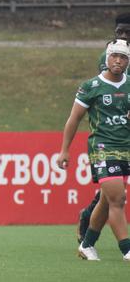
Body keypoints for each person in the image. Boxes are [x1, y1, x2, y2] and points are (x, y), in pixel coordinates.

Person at [57, 39, 130, 261]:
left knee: (107, 200)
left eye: (123, 57)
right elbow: (74, 119)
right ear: (106, 58)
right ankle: (127, 249)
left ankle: (87, 245)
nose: (118, 60)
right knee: (117, 199)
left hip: (125, 148)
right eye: (114, 56)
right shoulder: (91, 86)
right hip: (102, 147)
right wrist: (64, 150)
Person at [77, 12, 130, 244]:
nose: (123, 36)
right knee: (114, 195)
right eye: (119, 32)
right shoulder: (109, 57)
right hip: (112, 136)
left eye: (128, 32)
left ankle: (88, 240)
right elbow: (108, 91)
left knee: (113, 196)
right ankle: (92, 227)